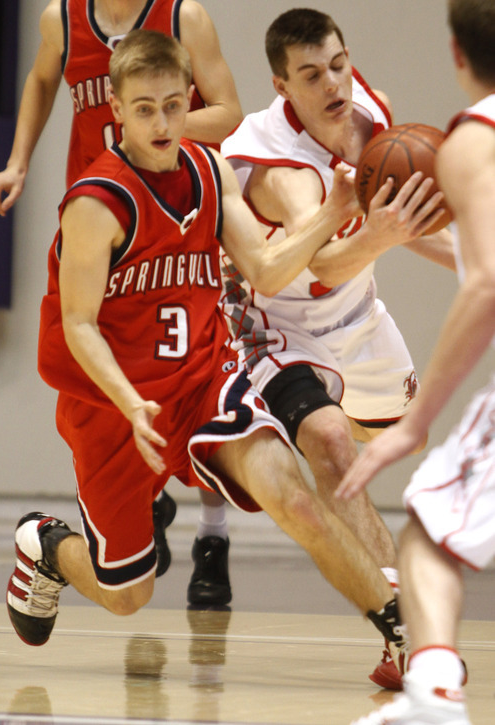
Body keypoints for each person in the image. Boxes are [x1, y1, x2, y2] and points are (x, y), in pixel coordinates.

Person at [8, 29, 409, 662]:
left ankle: (403, 632)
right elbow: (80, 326)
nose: (163, 122)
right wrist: (129, 401)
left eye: (174, 104)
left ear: (188, 99)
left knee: (294, 497)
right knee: (127, 596)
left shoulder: (207, 168)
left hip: (201, 382)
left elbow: (268, 270)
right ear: (115, 108)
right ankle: (45, 543)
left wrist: (333, 212)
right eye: (145, 108)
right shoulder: (96, 203)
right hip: (114, 409)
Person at [219, 7, 453, 689]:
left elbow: (404, 224)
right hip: (276, 327)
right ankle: (405, 627)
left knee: (394, 436)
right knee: (330, 444)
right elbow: (326, 263)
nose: (333, 84)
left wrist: (475, 262)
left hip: (359, 320)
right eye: (311, 74)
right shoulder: (275, 161)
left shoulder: (369, 112)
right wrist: (382, 233)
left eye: (339, 65)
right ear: (281, 84)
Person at [0, 0, 244, 607]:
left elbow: (232, 112)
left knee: (205, 359)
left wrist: (165, 128)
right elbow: (41, 79)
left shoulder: (185, 17)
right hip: (104, 226)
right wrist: (18, 160)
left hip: (174, 206)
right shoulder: (62, 19)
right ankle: (115, 513)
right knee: (93, 372)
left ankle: (212, 539)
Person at [336, 0, 495, 722]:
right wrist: (395, 237)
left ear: (457, 55)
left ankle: (433, 697)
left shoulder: (474, 142)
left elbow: (487, 281)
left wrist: (414, 420)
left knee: (428, 531)